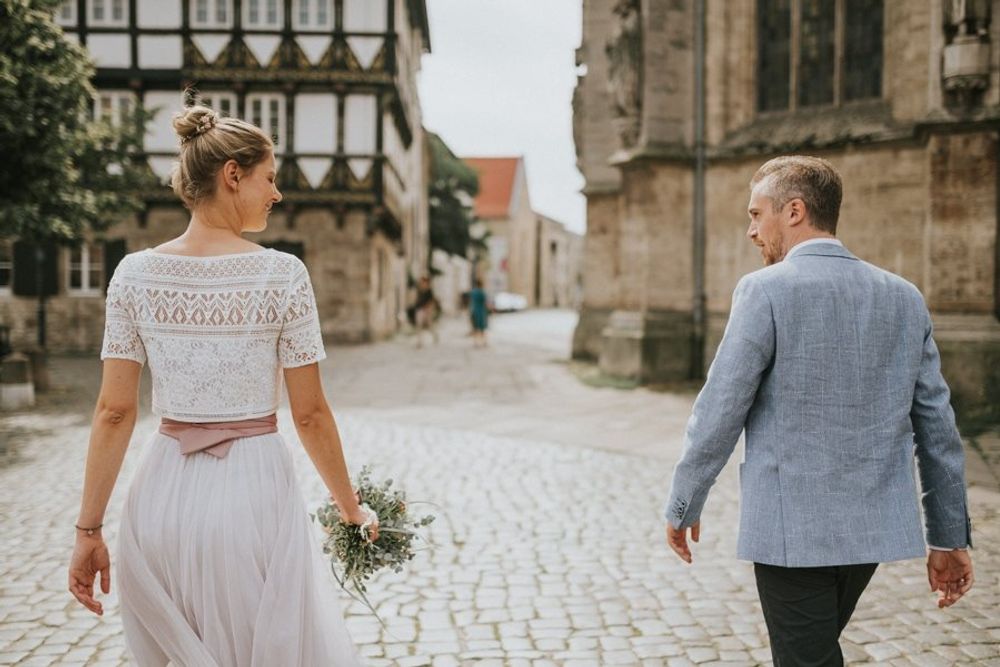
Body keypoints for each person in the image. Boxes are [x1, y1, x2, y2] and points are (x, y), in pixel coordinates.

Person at [68, 105, 377, 666]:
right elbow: (309, 414)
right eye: (270, 178)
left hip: (160, 500)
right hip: (253, 497)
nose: (276, 194)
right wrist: (351, 510)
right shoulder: (282, 274)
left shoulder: (133, 274)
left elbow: (114, 411)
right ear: (233, 175)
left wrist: (88, 530)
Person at [664, 156, 974, 665]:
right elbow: (939, 430)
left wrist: (683, 502)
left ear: (794, 211)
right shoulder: (904, 297)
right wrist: (948, 535)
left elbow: (720, 409)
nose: (750, 230)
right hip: (866, 538)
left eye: (756, 214)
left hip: (792, 536)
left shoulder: (764, 290)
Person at [413, 275, 439, 348]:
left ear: (426, 282)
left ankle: (435, 335)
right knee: (419, 325)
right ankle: (419, 342)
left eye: (423, 281)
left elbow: (431, 301)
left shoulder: (429, 291)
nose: (422, 283)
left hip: (426, 310)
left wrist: (429, 310)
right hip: (419, 309)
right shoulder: (420, 290)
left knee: (429, 325)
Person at [468, 279, 489, 348]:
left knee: (475, 328)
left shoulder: (473, 292)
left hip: (474, 311)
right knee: (482, 328)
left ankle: (475, 342)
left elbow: (471, 302)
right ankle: (484, 342)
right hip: (481, 312)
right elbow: (485, 302)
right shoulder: (481, 292)